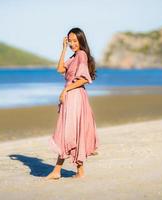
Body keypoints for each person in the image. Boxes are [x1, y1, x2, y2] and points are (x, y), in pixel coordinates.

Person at [45, 27, 99, 180]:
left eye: (75, 40)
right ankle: (79, 171)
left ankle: (57, 171)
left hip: (75, 96)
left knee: (67, 132)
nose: (72, 43)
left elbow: (84, 79)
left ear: (81, 40)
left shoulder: (81, 55)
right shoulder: (75, 56)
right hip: (72, 97)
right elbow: (60, 68)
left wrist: (65, 90)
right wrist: (63, 49)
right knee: (72, 132)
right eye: (70, 41)